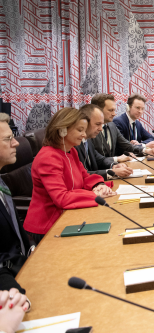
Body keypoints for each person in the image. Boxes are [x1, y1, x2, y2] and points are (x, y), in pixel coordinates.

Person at [23, 108, 116, 242]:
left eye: (85, 130)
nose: (84, 135)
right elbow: (61, 198)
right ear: (62, 130)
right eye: (80, 130)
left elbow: (85, 177)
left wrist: (99, 185)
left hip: (68, 216)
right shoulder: (48, 157)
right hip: (48, 225)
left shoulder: (71, 151)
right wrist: (95, 195)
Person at [0, 113, 33, 308]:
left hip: (23, 265)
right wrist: (15, 294)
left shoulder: (1, 178)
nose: (16, 143)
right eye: (7, 139)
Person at [90, 93, 154, 159]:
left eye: (142, 109)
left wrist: (146, 150)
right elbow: (119, 150)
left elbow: (127, 145)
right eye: (110, 110)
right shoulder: (90, 131)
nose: (114, 114)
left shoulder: (112, 125)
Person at [76, 104, 133, 180]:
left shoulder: (88, 140)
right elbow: (81, 174)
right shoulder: (74, 144)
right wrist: (112, 172)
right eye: (97, 124)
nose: (100, 129)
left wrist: (113, 165)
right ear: (85, 122)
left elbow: (100, 159)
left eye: (101, 124)